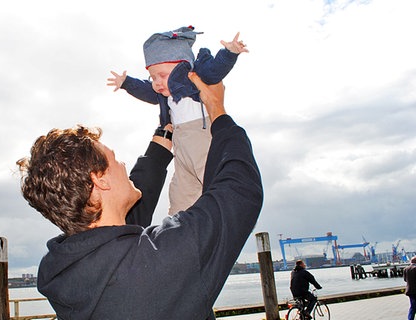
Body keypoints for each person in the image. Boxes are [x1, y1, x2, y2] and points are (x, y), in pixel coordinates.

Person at [17, 72, 263, 320]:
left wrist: (159, 145)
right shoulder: (160, 260)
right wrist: (218, 112)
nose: (123, 165)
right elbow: (239, 190)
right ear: (99, 180)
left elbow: (122, 225)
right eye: (115, 159)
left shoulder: (66, 270)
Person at [107, 25, 248, 215]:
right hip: (180, 145)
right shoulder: (164, 94)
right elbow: (146, 90)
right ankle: (178, 215)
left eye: (162, 75)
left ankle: (231, 211)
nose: (156, 82)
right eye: (152, 77)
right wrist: (127, 83)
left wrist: (229, 53)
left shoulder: (194, 76)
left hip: (201, 138)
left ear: (181, 65)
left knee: (209, 176)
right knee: (182, 185)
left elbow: (215, 70)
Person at [404, 256, 416, 320]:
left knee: (413, 305)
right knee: (413, 307)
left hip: (409, 290)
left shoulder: (406, 269)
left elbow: (405, 279)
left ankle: (410, 318)